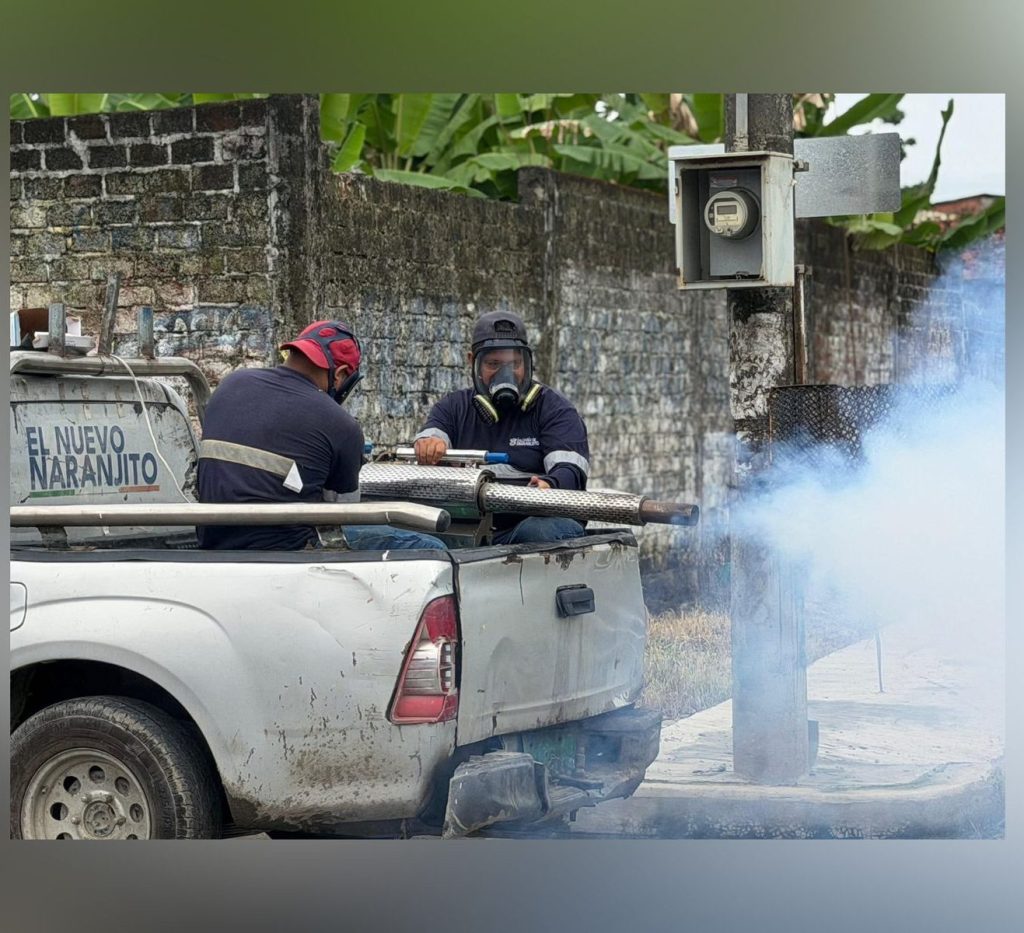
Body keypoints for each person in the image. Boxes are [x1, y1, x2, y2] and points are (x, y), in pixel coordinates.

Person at [198, 319, 445, 551]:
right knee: (432, 548)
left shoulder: (231, 383)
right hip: (288, 549)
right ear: (340, 375)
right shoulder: (341, 423)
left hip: (213, 541)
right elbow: (344, 514)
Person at [413, 310, 590, 545]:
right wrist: (429, 445)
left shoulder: (554, 409)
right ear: (472, 361)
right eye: (493, 364)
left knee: (539, 533)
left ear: (527, 363)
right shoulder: (453, 407)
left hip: (528, 525)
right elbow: (434, 434)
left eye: (514, 364)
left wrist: (550, 484)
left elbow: (570, 471)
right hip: (471, 529)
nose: (505, 374)